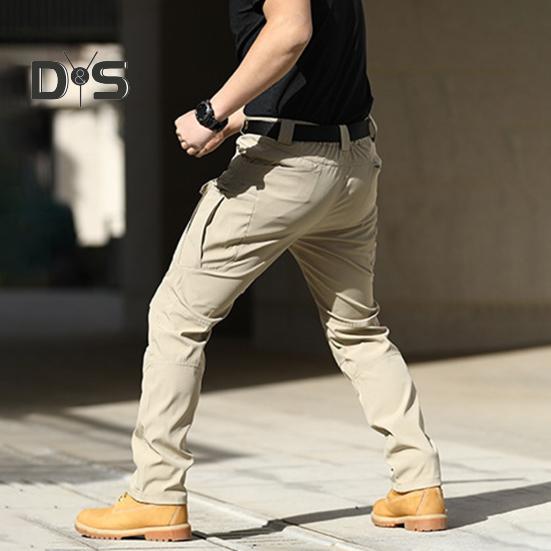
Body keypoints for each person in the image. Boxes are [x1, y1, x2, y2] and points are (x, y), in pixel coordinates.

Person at [75, 0, 447, 541]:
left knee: (177, 318)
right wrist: (243, 116)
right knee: (358, 331)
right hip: (351, 162)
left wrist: (211, 112)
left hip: (284, 169)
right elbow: (318, 67)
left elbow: (291, 33)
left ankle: (156, 494)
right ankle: (418, 484)